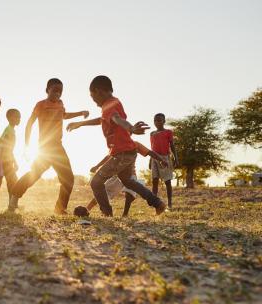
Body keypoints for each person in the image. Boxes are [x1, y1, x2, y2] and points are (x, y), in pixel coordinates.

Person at [66, 75, 166, 216]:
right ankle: (158, 203)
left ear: (99, 91)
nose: (94, 101)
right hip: (129, 152)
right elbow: (103, 120)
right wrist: (80, 124)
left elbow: (117, 119)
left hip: (122, 153)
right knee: (129, 182)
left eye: (93, 97)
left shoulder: (108, 106)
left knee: (96, 182)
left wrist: (131, 128)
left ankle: (107, 212)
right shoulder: (114, 102)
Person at [8, 78, 89, 214]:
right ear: (47, 90)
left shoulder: (60, 104)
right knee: (34, 174)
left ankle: (60, 208)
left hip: (57, 146)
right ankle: (13, 199)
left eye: (60, 91)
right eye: (55, 90)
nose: (58, 93)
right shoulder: (41, 105)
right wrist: (27, 145)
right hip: (45, 147)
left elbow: (64, 115)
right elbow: (29, 124)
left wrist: (80, 113)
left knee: (68, 178)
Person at [80, 142, 168, 217]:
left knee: (129, 194)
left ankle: (124, 214)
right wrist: (97, 166)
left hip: (130, 174)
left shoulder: (134, 144)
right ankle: (89, 209)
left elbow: (149, 152)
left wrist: (160, 160)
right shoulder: (117, 144)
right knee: (104, 191)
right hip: (116, 175)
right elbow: (108, 156)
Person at [150, 113, 179, 209]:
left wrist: (176, 158)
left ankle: (170, 203)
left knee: (167, 181)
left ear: (164, 121)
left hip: (165, 158)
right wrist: (150, 160)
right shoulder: (152, 134)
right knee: (154, 180)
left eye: (159, 120)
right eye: (155, 120)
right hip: (154, 158)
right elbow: (151, 148)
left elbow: (172, 145)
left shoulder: (168, 132)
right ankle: (155, 203)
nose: (157, 122)